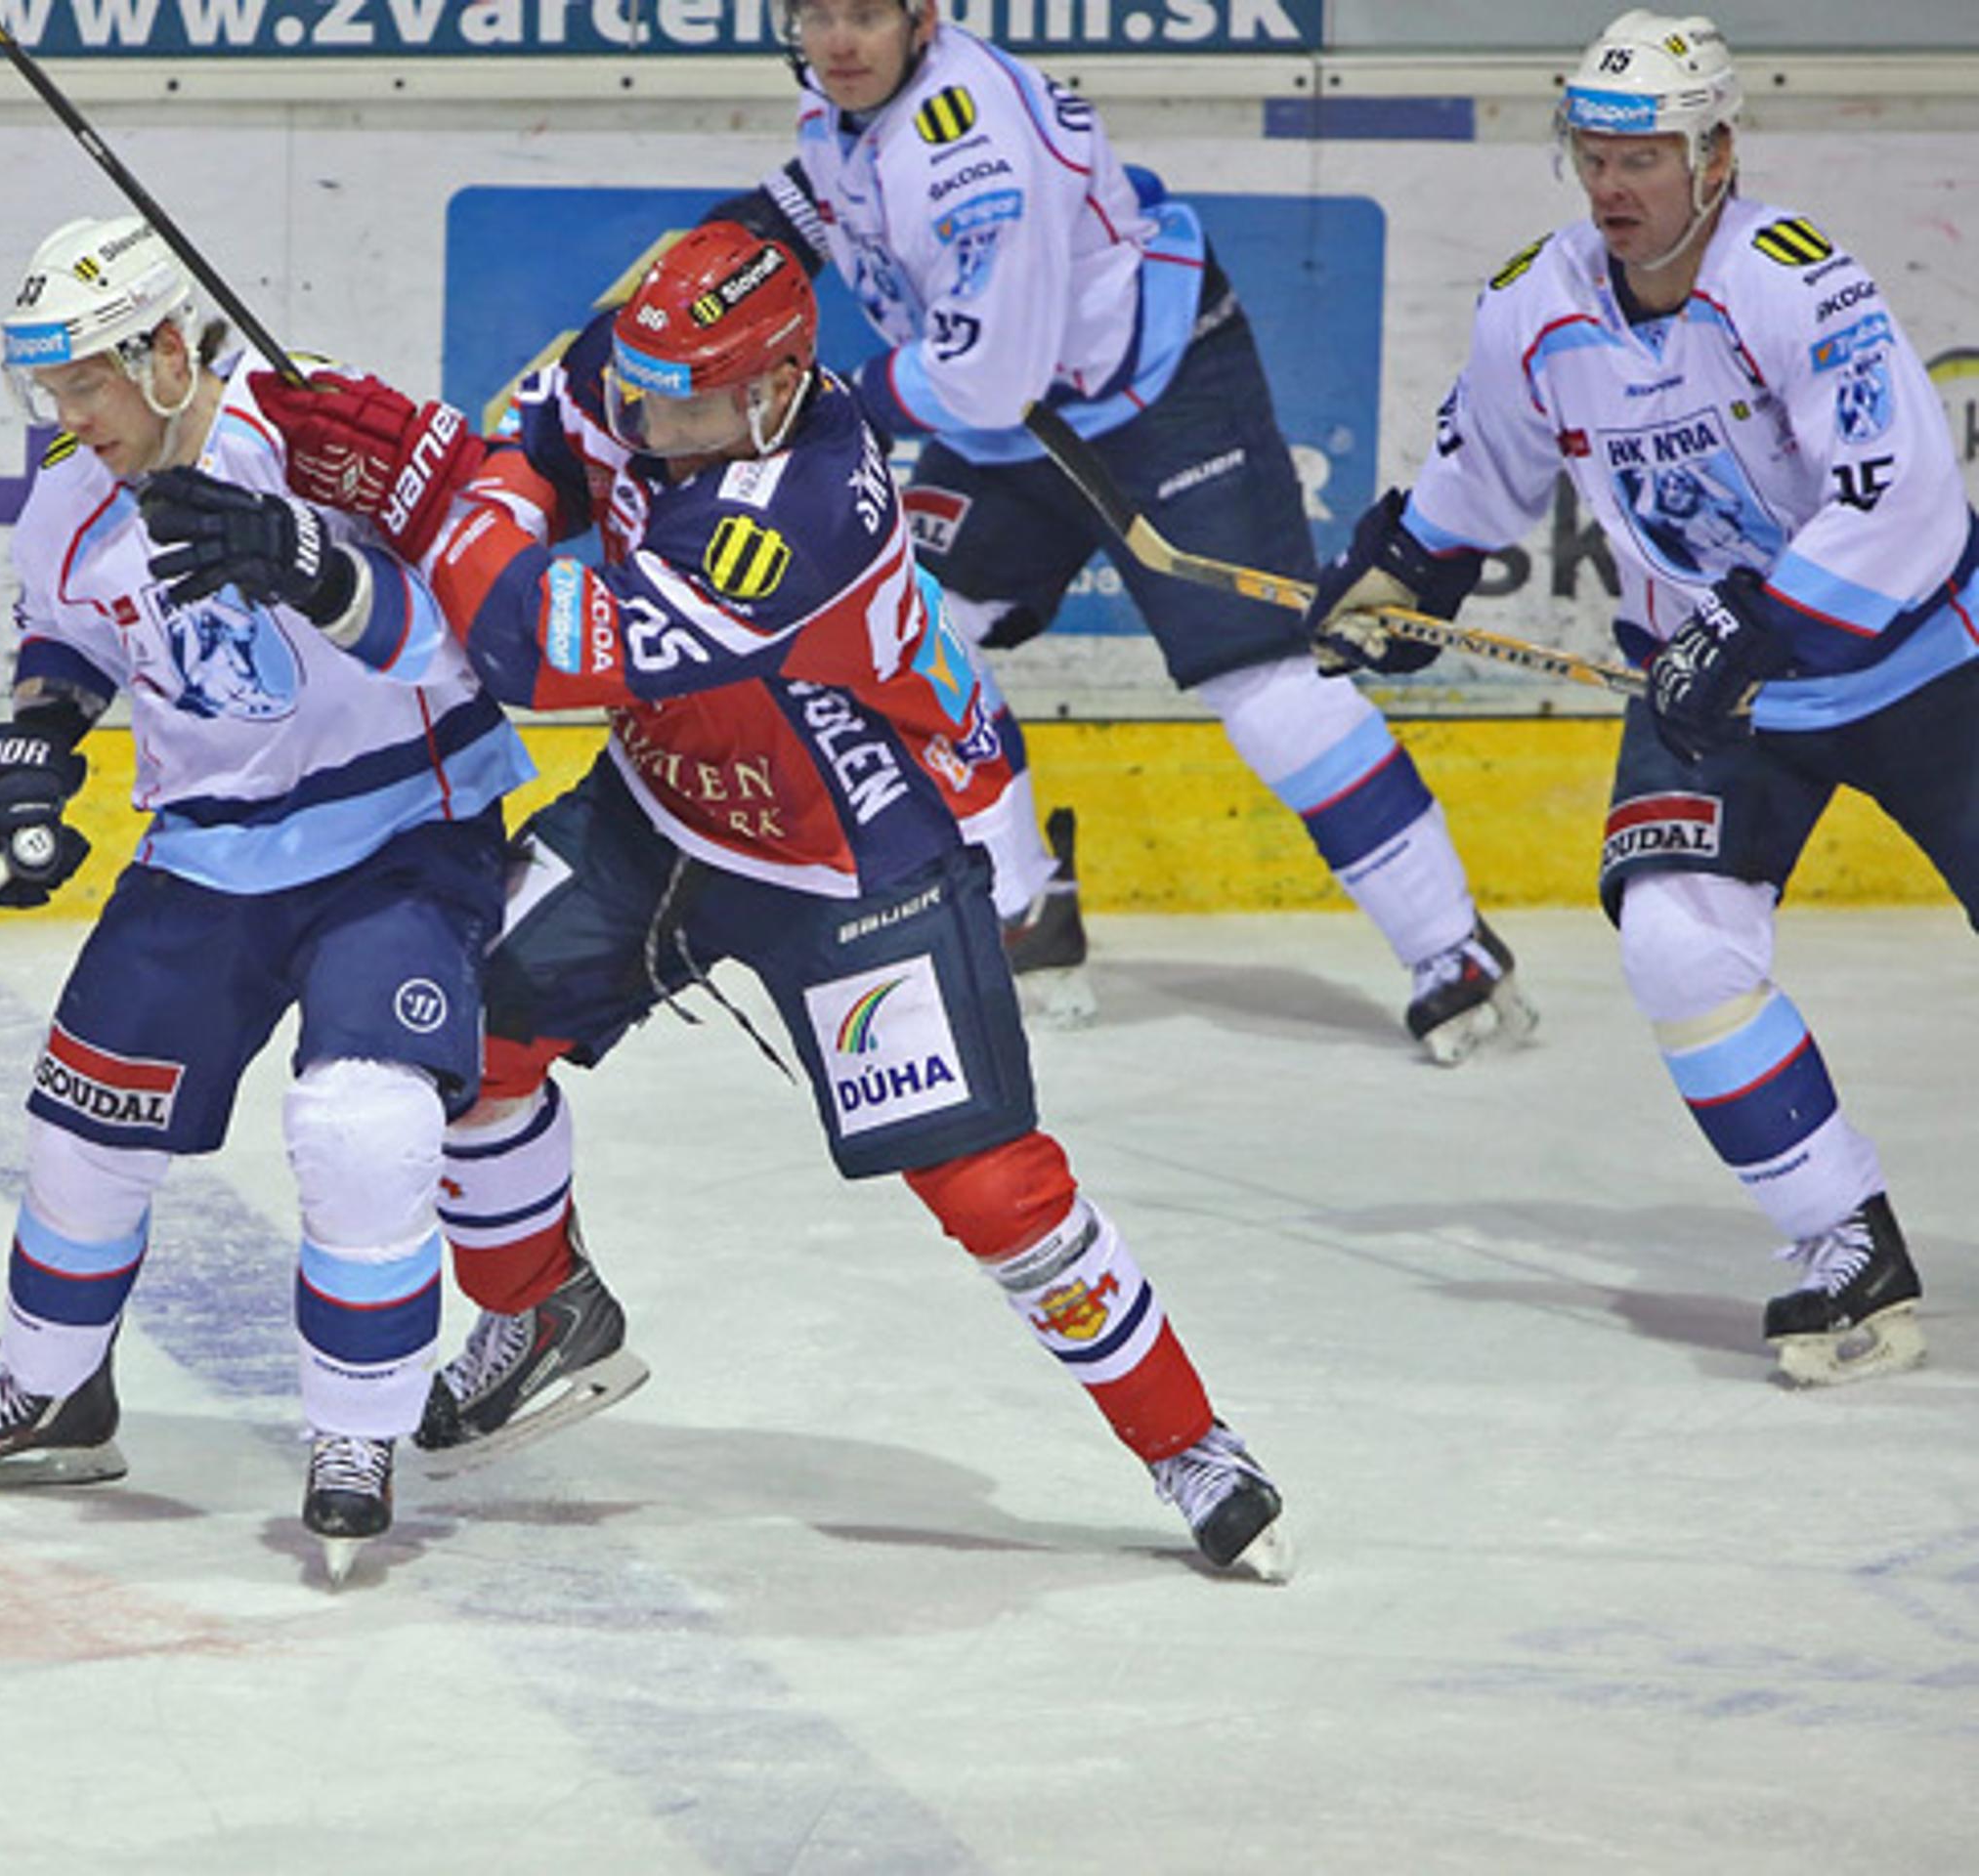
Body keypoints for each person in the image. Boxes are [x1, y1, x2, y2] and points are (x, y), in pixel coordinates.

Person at [237, 222, 1293, 1577]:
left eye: (685, 403)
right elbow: (533, 456)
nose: (648, 421)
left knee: (988, 1187)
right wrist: (438, 461)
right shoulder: (637, 373)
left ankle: (1185, 1444)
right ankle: (541, 1311)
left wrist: (442, 492)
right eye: (639, 390)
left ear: (779, 384)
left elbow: (534, 647)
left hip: (843, 849)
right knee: (462, 1043)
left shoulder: (807, 505)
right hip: (658, 807)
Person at [1307, 11, 1977, 1386]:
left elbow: (1899, 496)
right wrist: (1402, 583)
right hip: (1708, 687)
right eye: (1592, 153)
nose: (1612, 186)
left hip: (1920, 658)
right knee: (1675, 946)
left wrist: (1760, 618)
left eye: (1645, 156)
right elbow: (1472, 481)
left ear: (1716, 153)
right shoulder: (1530, 307)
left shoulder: (1797, 283)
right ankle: (1839, 1238)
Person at [0, 212, 534, 1579]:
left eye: (86, 384)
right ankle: (53, 1387)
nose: (68, 417)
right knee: (81, 1127)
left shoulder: (312, 442)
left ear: (168, 350)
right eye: (49, 392)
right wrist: (24, 763)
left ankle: (356, 1431)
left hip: (403, 833)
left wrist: (309, 559)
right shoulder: (71, 500)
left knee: (358, 1122)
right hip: (209, 852)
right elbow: (65, 638)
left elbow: (462, 630)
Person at [702, 0, 1535, 1064]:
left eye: (865, 14)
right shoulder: (856, 104)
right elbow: (816, 205)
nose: (838, 41)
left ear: (924, 16)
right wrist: (704, 270)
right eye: (815, 16)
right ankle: (1021, 906)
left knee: (1266, 686)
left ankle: (1449, 946)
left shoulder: (970, 147)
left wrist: (825, 402)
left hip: (1158, 391)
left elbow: (986, 380)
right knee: (909, 629)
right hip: (1019, 411)